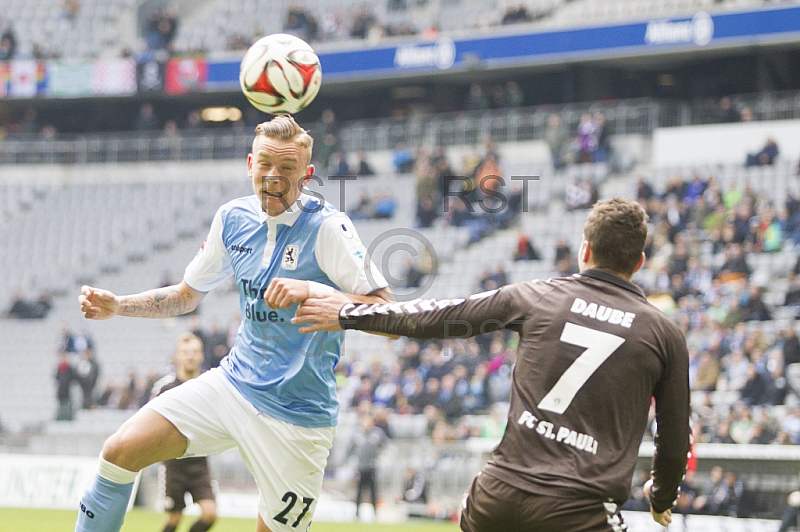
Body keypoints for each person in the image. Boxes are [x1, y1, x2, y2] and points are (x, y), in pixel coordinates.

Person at [295, 197, 691, 531]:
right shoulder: (664, 335)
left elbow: (437, 316)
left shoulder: (538, 296)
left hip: (499, 499)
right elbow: (673, 442)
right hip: (581, 511)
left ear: (584, 250)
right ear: (639, 261)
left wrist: (348, 312)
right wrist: (660, 497)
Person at [75, 115, 391, 532]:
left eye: (287, 169)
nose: (273, 177)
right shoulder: (232, 219)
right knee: (120, 451)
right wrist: (119, 306)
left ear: (307, 175)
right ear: (249, 165)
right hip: (234, 386)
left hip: (297, 416)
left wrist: (314, 292)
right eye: (265, 165)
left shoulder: (328, 228)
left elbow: (387, 315)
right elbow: (186, 296)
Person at [152, 333, 217, 532]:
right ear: (177, 357)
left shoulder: (209, 385)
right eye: (185, 352)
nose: (190, 356)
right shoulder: (165, 387)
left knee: (210, 513)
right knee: (174, 519)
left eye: (195, 352)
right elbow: (151, 420)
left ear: (201, 356)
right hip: (174, 464)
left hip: (199, 462)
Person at [348, 414, 388, 520]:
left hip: (373, 467)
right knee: (359, 491)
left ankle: (375, 513)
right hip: (360, 467)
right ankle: (357, 513)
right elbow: (350, 449)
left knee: (374, 491)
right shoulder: (357, 434)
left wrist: (382, 456)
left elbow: (386, 446)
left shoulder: (377, 433)